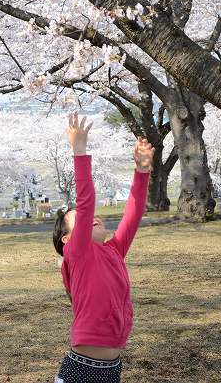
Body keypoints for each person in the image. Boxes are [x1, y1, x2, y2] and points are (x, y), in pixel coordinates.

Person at [53, 112, 154, 383]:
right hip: (81, 370)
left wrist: (142, 171)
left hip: (112, 370)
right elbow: (86, 202)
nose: (93, 217)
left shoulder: (114, 250)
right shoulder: (77, 253)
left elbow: (133, 214)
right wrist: (79, 150)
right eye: (79, 218)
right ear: (67, 239)